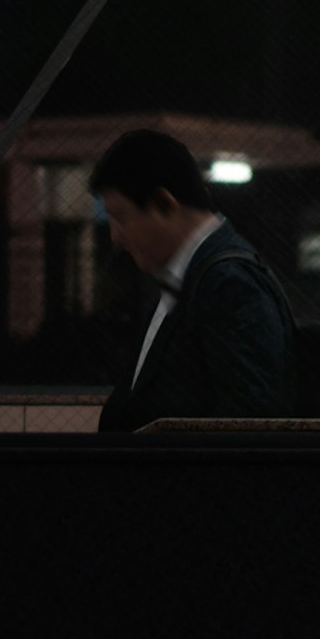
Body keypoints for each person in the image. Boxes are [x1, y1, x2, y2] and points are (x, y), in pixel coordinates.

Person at [89, 127, 293, 435]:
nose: (115, 236)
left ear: (164, 203)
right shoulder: (187, 278)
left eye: (121, 216)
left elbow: (251, 429)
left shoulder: (228, 284)